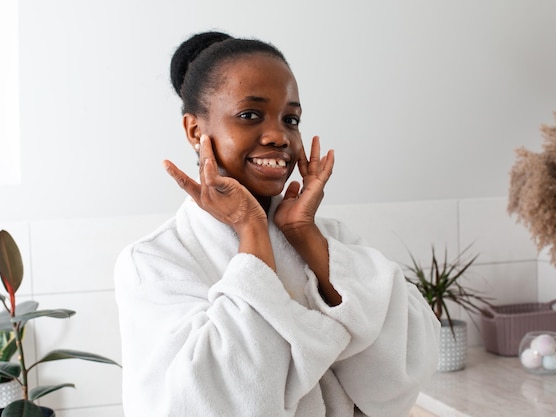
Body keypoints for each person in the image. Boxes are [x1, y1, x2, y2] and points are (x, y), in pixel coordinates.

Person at [114, 31, 440, 417]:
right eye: (250, 115)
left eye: (291, 119)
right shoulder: (154, 262)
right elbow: (213, 402)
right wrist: (251, 231)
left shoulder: (327, 239)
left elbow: (406, 372)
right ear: (195, 130)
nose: (278, 135)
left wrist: (305, 236)